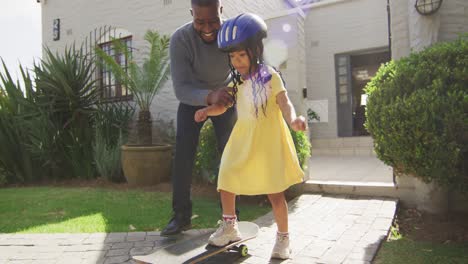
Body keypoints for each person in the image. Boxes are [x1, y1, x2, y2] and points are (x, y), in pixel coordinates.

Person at [194, 13, 306, 259]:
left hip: (267, 142)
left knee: (275, 193)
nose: (237, 61)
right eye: (232, 57)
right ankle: (230, 226)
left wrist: (294, 120)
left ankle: (283, 239)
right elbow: (223, 105)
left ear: (255, 51)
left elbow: (284, 102)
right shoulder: (236, 83)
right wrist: (207, 111)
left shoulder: (269, 76)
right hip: (243, 138)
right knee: (227, 177)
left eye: (241, 55)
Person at [161, 0, 238, 236]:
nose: (207, 28)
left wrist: (226, 94)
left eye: (213, 20)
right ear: (191, 13)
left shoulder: (233, 35)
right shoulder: (180, 39)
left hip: (225, 98)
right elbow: (181, 88)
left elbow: (244, 69)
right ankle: (181, 217)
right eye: (199, 21)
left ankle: (231, 217)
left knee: (230, 156)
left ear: (221, 11)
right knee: (183, 156)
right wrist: (208, 96)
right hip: (192, 100)